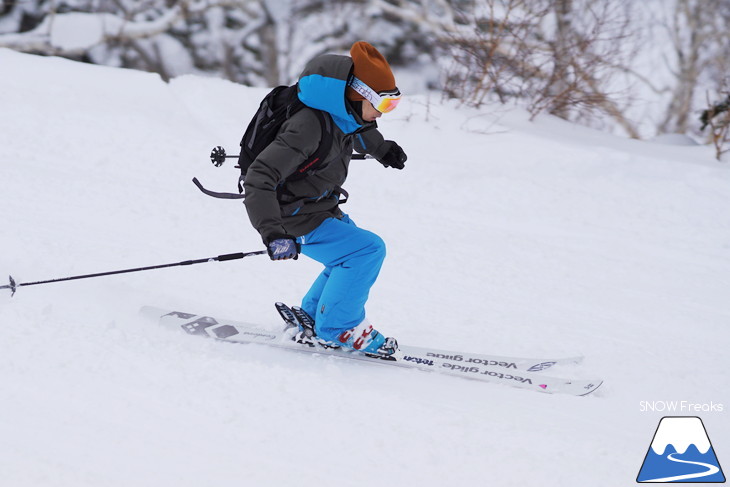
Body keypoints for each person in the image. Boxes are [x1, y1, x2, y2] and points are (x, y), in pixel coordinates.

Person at [243, 41, 407, 356]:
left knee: (350, 251)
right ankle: (339, 327)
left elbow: (356, 127)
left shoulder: (341, 112)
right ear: (358, 96)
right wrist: (273, 232)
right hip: (290, 214)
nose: (384, 115)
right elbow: (259, 177)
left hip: (317, 204)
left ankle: (317, 313)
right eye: (384, 105)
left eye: (393, 105)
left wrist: (381, 148)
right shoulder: (307, 128)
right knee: (367, 250)